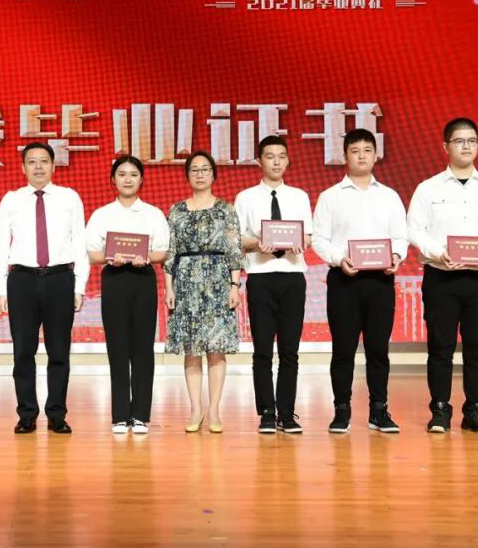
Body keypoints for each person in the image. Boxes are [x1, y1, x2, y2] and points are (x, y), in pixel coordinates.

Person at [407, 118, 478, 434]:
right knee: (440, 347)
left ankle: (475, 409)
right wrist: (437, 252)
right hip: (441, 276)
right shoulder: (428, 188)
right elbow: (414, 229)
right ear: (446, 146)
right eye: (459, 141)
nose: (466, 146)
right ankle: (440, 409)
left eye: (471, 140)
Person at [312, 129, 408, 434]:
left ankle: (379, 410)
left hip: (380, 281)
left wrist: (396, 256)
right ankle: (341, 409)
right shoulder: (330, 197)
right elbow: (319, 239)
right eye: (355, 150)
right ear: (345, 156)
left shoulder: (389, 196)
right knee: (343, 349)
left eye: (367, 149)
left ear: (376, 155)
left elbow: (401, 236)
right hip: (344, 280)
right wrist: (339, 258)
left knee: (378, 349)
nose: (362, 155)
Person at [0, 141, 88, 435]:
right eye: (32, 161)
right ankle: (27, 414)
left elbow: (80, 242)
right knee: (23, 351)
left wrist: (79, 286)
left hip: (60, 279)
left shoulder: (69, 197)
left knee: (59, 351)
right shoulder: (11, 200)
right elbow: (0, 245)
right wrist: (1, 287)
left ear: (53, 166)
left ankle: (57, 414)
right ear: (23, 167)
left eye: (44, 161)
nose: (38, 167)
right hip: (21, 280)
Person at [85, 154, 169, 434]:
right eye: (122, 174)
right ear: (113, 179)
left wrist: (146, 257)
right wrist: (111, 257)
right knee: (117, 347)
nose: (128, 179)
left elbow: (162, 251)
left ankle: (141, 415)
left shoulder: (153, 214)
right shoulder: (102, 214)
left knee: (143, 348)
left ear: (141, 179)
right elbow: (93, 254)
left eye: (133, 174)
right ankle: (120, 415)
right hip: (114, 279)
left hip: (143, 279)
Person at [234, 135, 312, 435]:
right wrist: (258, 243)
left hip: (292, 275)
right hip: (260, 277)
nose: (276, 162)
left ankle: (287, 413)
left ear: (288, 160)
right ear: (259, 161)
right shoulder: (246, 197)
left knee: (290, 349)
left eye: (281, 156)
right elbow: (237, 238)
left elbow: (308, 236)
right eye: (270, 156)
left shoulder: (300, 196)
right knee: (263, 349)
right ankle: (267, 411)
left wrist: (299, 243)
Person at [164, 151, 244, 434]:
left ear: (213, 174)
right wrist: (169, 287)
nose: (199, 174)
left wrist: (235, 286)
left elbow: (234, 250)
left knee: (216, 348)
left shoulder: (226, 210)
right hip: (186, 282)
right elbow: (170, 252)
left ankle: (214, 410)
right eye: (194, 169)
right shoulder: (176, 210)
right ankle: (195, 408)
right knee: (192, 349)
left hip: (218, 281)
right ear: (187, 175)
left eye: (205, 169)